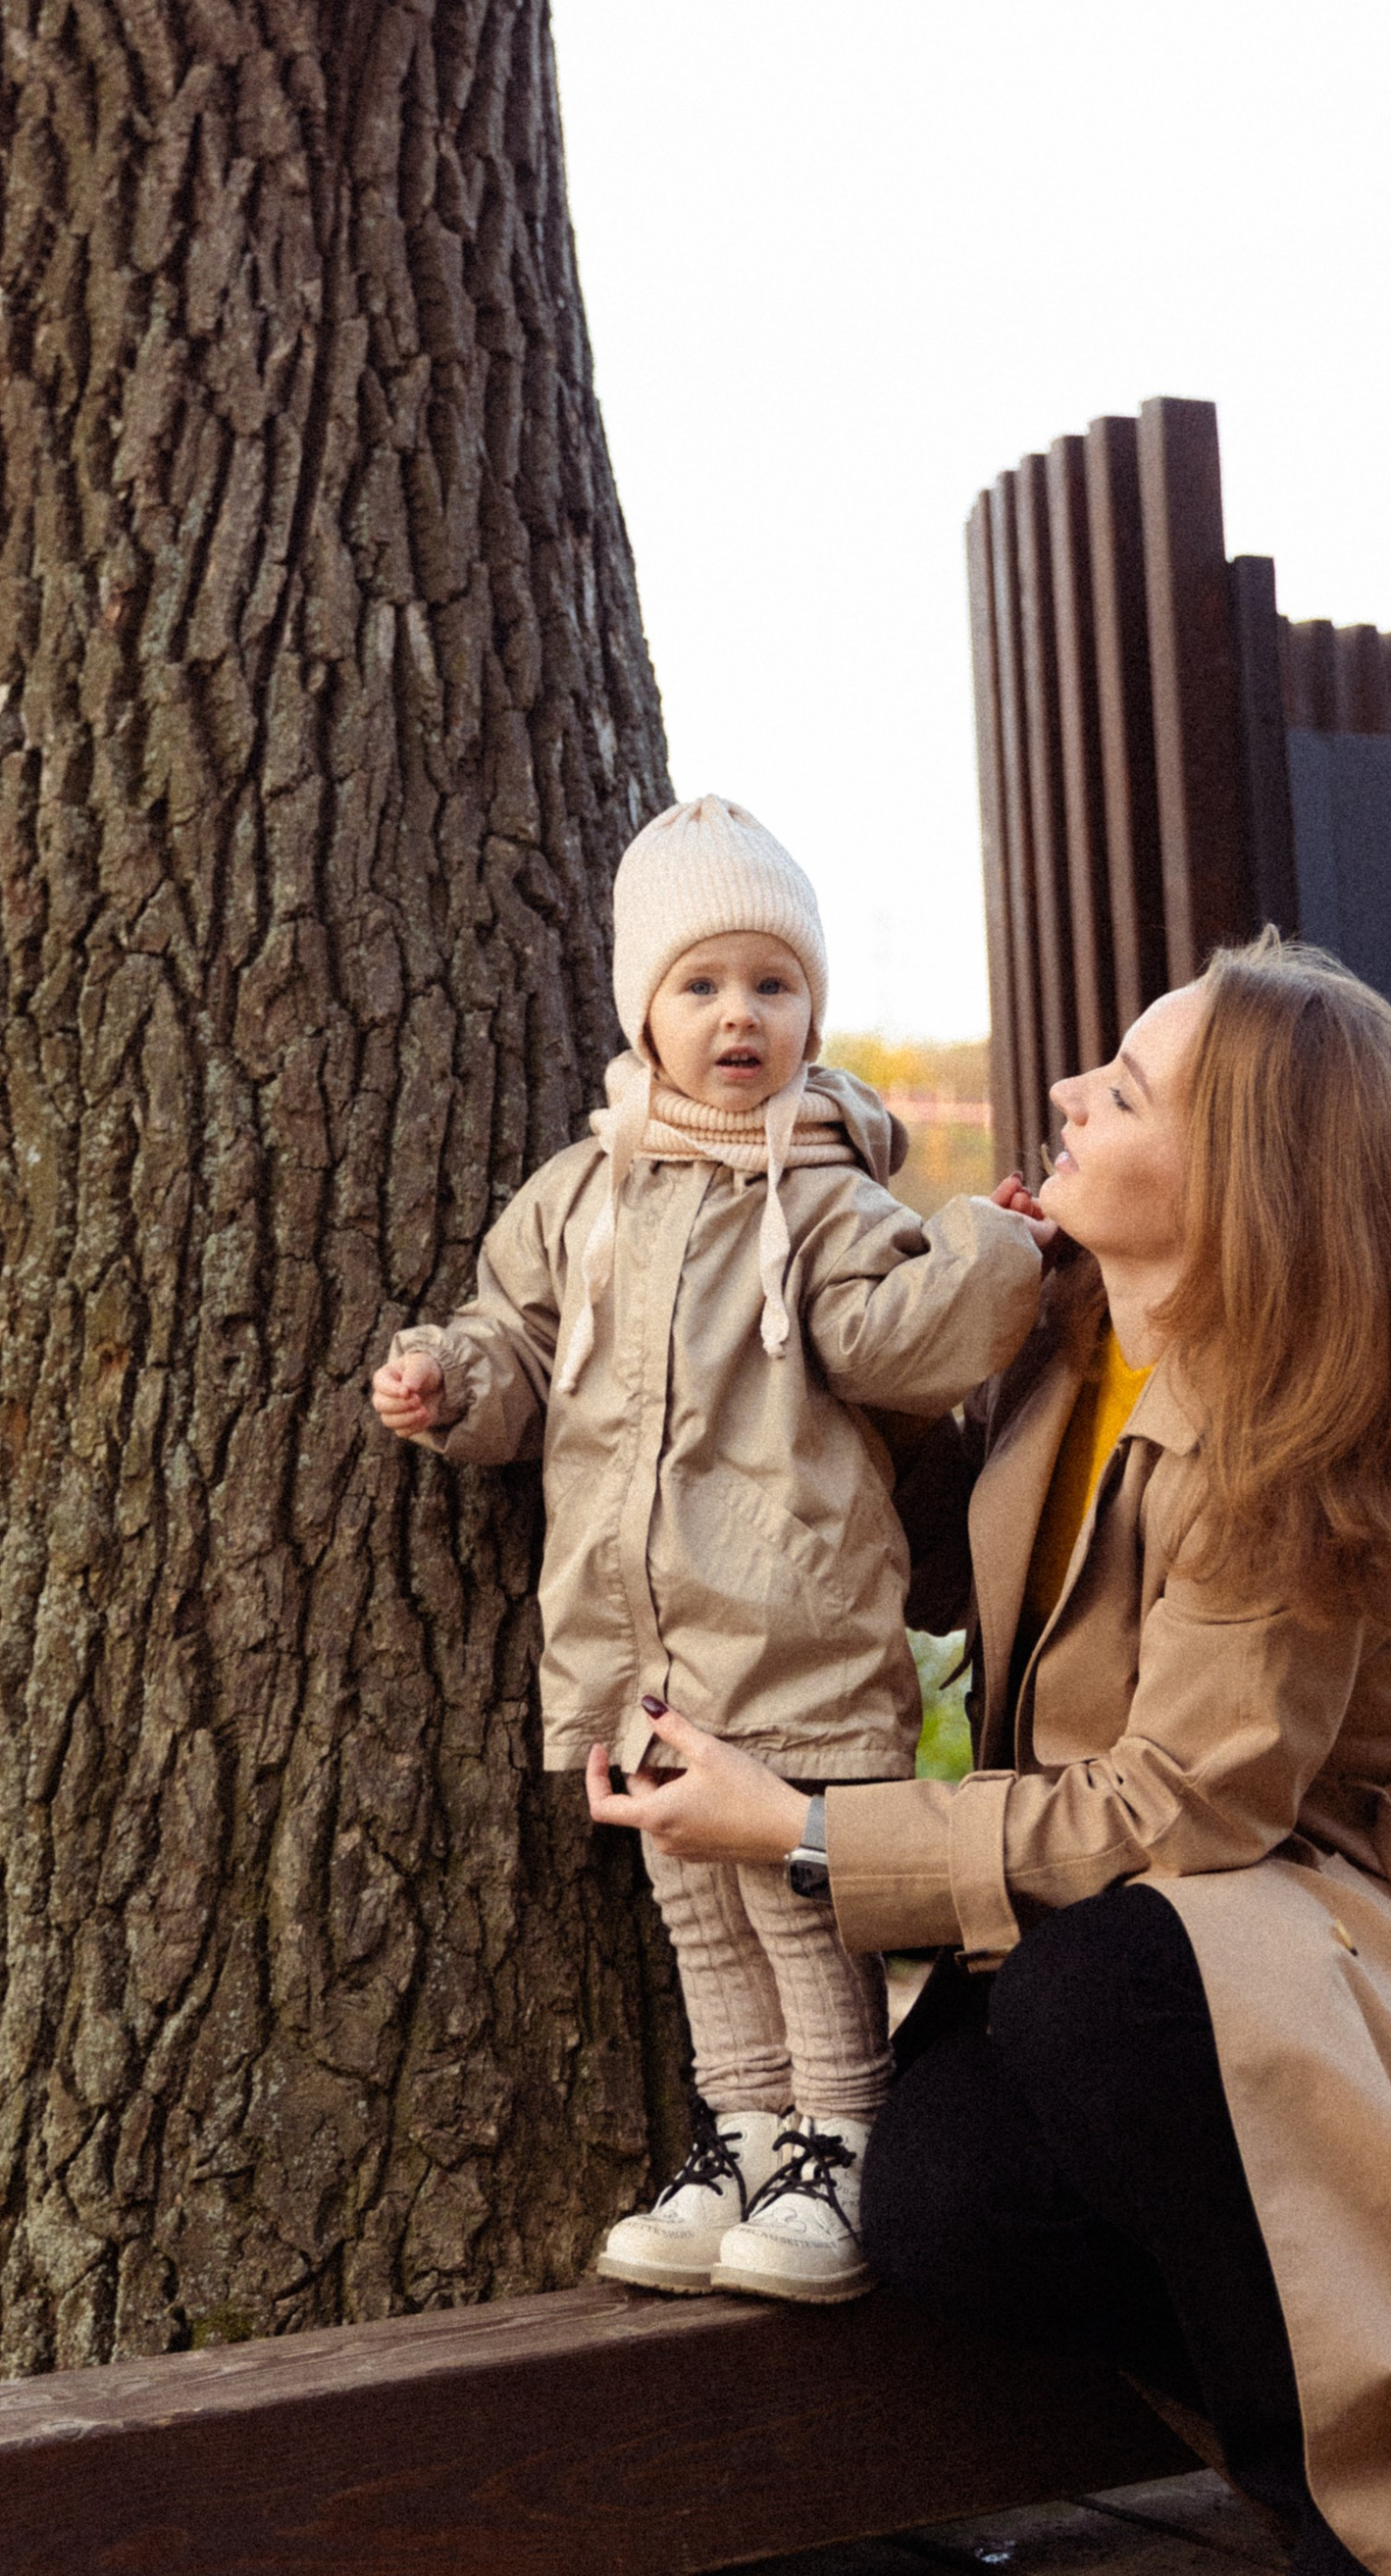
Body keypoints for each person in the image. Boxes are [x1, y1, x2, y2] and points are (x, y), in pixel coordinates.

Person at [589, 934, 1391, 2576]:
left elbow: (1180, 1806)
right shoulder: (1063, 1317)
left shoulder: (1300, 1429)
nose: (1061, 1092)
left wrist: (802, 1826)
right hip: (1194, 1925)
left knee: (1084, 1993)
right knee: (942, 2200)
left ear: (1238, 1185)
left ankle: (1369, 2516)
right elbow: (900, 1551)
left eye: (1118, 1091)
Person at [371, 794, 1045, 2305]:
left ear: (812, 1011)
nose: (739, 1017)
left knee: (800, 1905)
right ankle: (746, 2133)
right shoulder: (581, 1194)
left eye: (773, 985)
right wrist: (452, 1383)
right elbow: (519, 1344)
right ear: (644, 1009)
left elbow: (894, 1341)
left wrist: (993, 1253)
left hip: (789, 1628)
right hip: (633, 1639)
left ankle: (843, 2142)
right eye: (702, 985)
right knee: (693, 1903)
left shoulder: (818, 1194)